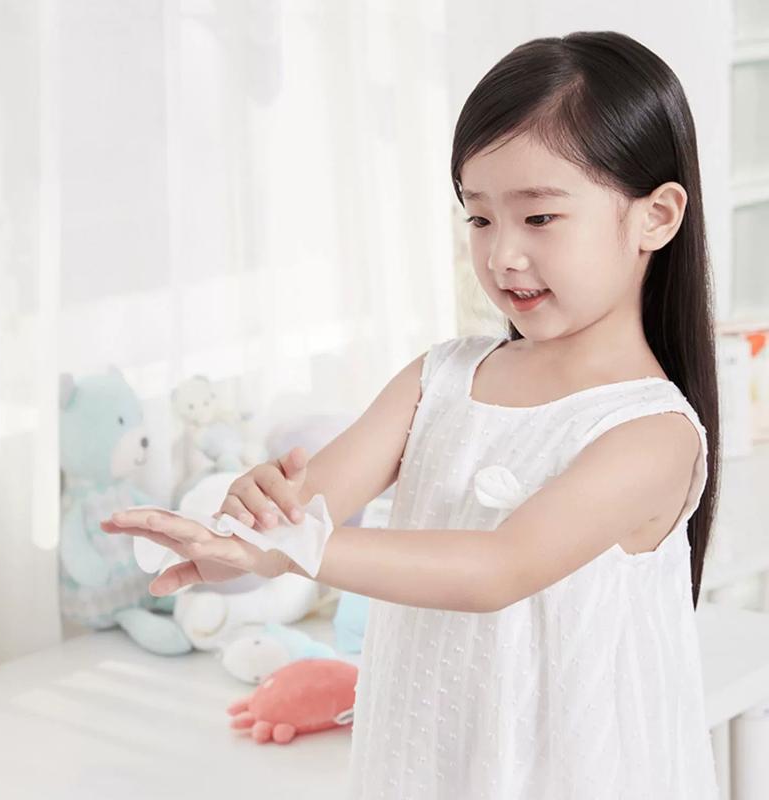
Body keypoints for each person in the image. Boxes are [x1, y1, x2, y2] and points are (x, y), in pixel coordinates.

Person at [103, 30, 721, 799]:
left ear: (656, 217)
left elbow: (498, 568)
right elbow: (303, 514)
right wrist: (244, 531)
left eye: (538, 218)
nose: (502, 256)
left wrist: (291, 548)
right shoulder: (441, 379)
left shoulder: (652, 435)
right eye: (479, 219)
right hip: (425, 766)